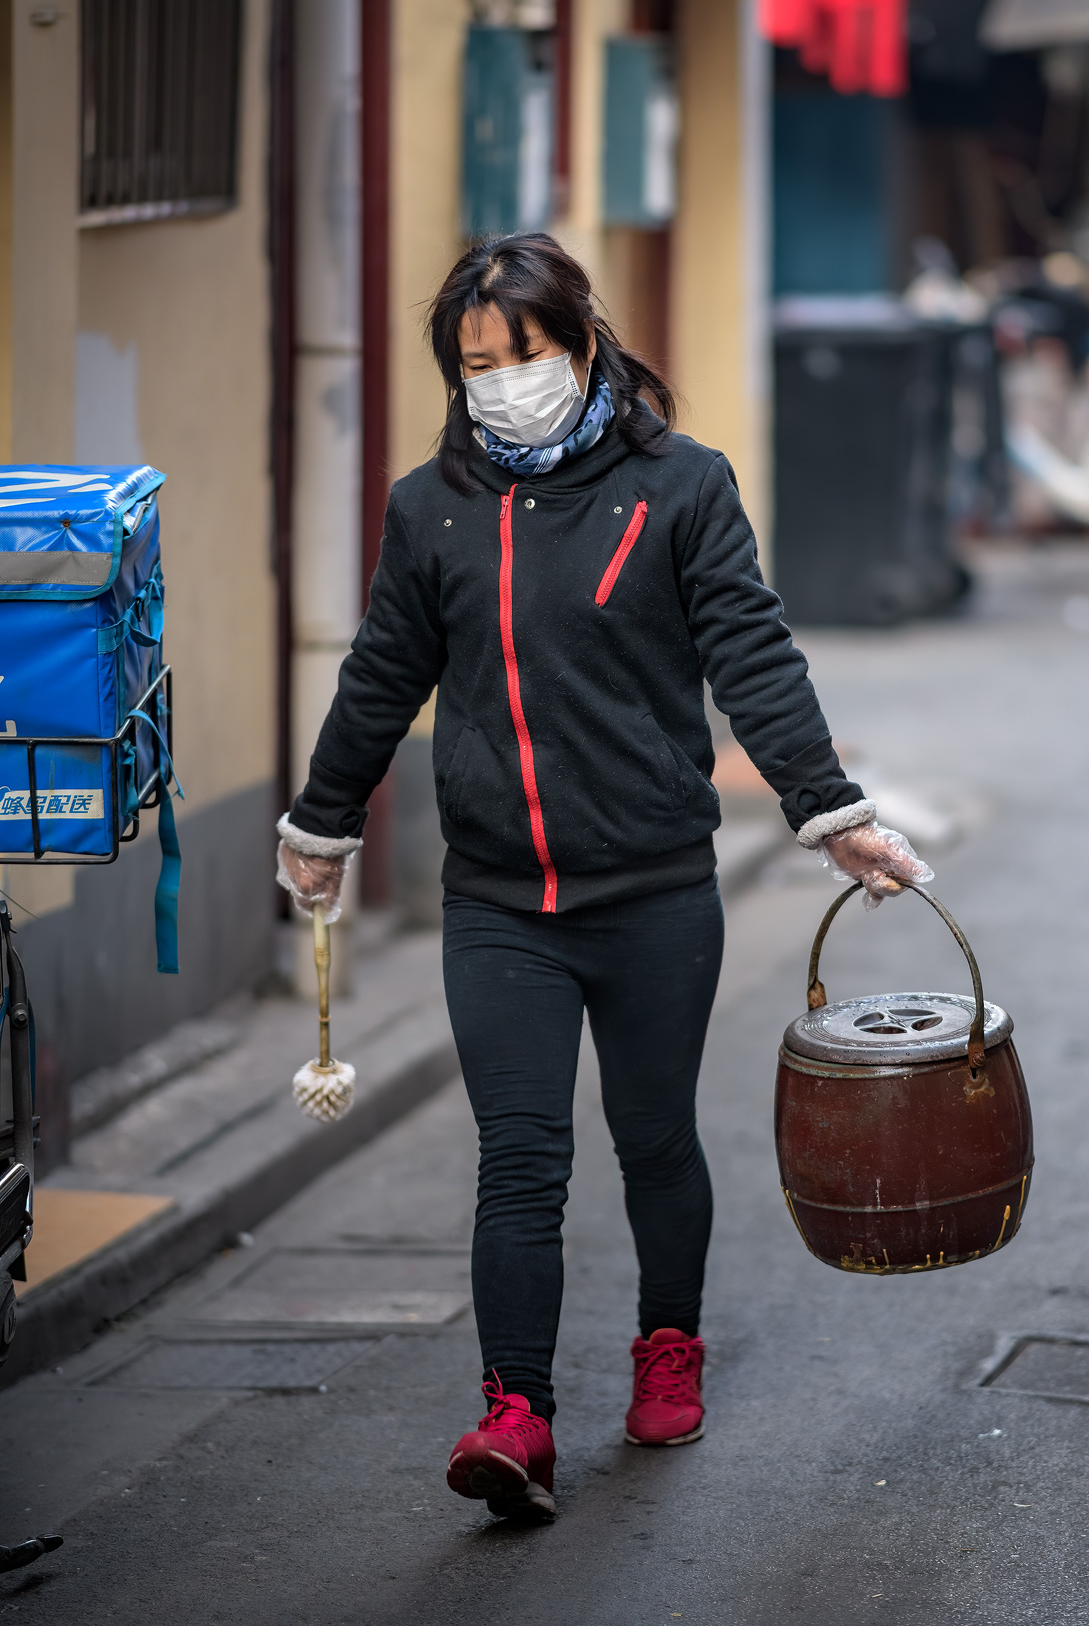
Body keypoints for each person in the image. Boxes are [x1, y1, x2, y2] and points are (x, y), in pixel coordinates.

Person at [273, 233, 931, 1522]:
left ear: (580, 346)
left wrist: (826, 807)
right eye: (474, 366)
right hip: (501, 898)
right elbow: (382, 671)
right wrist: (322, 821)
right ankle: (516, 1411)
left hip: (654, 891)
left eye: (521, 357)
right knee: (519, 1155)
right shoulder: (433, 508)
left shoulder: (679, 486)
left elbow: (751, 649)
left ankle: (667, 1343)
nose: (500, 384)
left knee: (652, 1138)